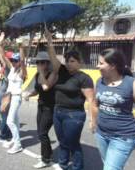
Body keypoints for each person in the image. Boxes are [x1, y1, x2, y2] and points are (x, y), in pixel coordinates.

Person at [44, 26, 95, 170]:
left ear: (79, 62)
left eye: (72, 61)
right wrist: (49, 40)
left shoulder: (84, 78)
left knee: (72, 143)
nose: (69, 63)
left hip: (74, 115)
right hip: (58, 112)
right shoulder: (62, 71)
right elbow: (53, 56)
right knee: (62, 141)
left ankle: (77, 167)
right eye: (67, 61)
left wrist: (92, 119)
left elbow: (91, 100)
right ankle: (63, 164)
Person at [0, 32, 28, 154]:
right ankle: (15, 140)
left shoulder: (22, 72)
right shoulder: (12, 69)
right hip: (9, 97)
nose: (14, 62)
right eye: (13, 61)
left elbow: (23, 60)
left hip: (16, 97)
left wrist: (20, 47)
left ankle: (18, 144)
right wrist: (0, 42)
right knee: (14, 120)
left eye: (16, 61)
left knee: (10, 121)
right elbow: (2, 54)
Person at [24, 51, 57, 169]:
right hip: (41, 106)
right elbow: (38, 90)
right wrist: (29, 94)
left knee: (42, 133)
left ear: (47, 63)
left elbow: (45, 87)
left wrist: (41, 72)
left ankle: (46, 159)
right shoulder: (38, 75)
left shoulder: (53, 74)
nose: (39, 64)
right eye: (37, 62)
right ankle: (48, 153)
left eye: (42, 62)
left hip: (51, 108)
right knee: (41, 132)